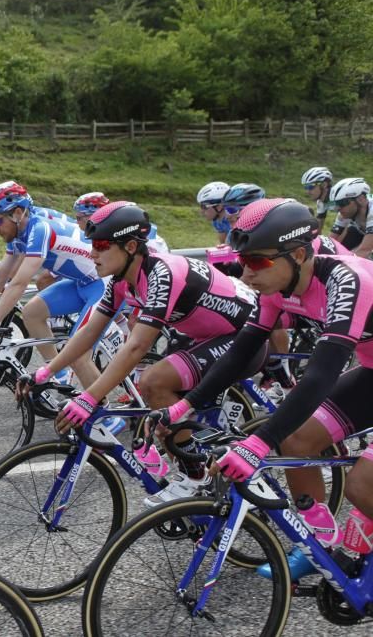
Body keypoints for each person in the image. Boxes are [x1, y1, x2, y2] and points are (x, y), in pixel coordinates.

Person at [153, 198, 373, 580]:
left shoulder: (346, 279)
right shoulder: (277, 284)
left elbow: (321, 375)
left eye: (257, 261)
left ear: (299, 253)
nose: (245, 272)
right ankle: (318, 544)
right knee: (297, 438)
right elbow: (242, 351)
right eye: (242, 260)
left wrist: (258, 444)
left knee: (362, 485)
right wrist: (184, 406)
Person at [20, 201, 261, 505]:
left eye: (102, 245)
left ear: (131, 246)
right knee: (165, 420)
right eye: (92, 245)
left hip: (245, 335)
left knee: (154, 382)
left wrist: (89, 397)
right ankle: (201, 466)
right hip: (208, 334)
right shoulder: (122, 281)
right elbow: (89, 332)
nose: (92, 253)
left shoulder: (162, 273)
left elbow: (137, 346)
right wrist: (44, 371)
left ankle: (195, 476)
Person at [0, 181, 102, 387]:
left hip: (104, 285)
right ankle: (60, 376)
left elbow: (19, 283)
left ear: (16, 213)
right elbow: (1, 275)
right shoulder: (20, 230)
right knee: (31, 313)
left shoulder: (39, 229)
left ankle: (109, 418)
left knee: (76, 354)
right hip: (81, 282)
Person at [75, 192, 169, 254]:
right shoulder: (109, 229)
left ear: (93, 218)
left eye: (78, 218)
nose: (76, 222)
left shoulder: (113, 233)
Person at [327, 177, 373, 258]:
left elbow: (365, 250)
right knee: (351, 234)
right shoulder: (344, 213)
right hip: (364, 233)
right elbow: (329, 242)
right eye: (336, 204)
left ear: (361, 199)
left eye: (342, 203)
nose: (338, 208)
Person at [301, 167, 334, 233]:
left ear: (324, 185)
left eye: (311, 187)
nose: (307, 191)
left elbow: (343, 230)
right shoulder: (321, 202)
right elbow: (317, 231)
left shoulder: (339, 199)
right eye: (306, 187)